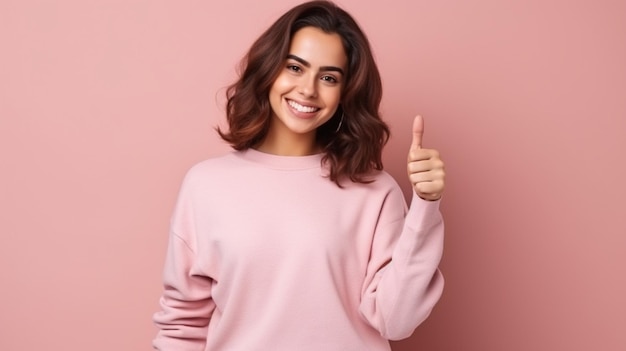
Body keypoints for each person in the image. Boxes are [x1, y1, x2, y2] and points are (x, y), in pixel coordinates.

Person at [152, 1, 445, 350]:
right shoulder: (205, 185)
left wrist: (426, 206)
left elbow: (396, 320)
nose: (308, 89)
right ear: (269, 70)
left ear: (345, 92)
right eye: (295, 67)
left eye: (328, 77)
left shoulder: (375, 191)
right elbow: (182, 326)